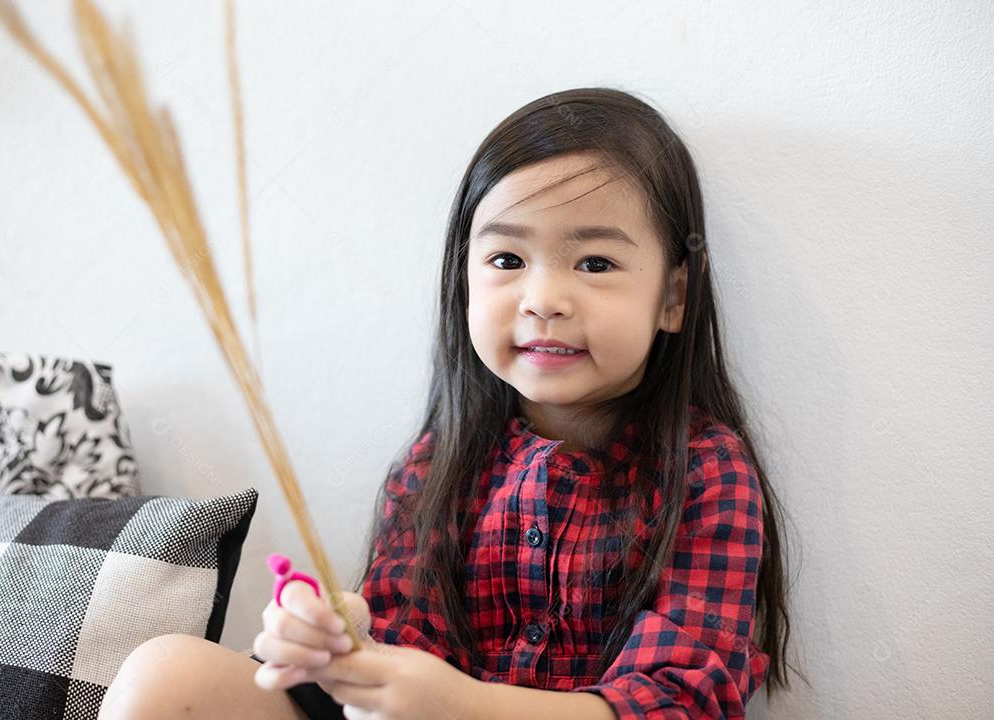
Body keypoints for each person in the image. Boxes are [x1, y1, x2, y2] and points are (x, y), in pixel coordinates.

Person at [98, 86, 800, 720]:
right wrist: (342, 643)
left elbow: (677, 702)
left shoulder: (704, 472)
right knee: (166, 676)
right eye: (507, 261)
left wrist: (465, 706)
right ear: (464, 278)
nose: (544, 299)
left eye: (595, 263)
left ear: (674, 296)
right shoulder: (441, 461)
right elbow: (404, 644)